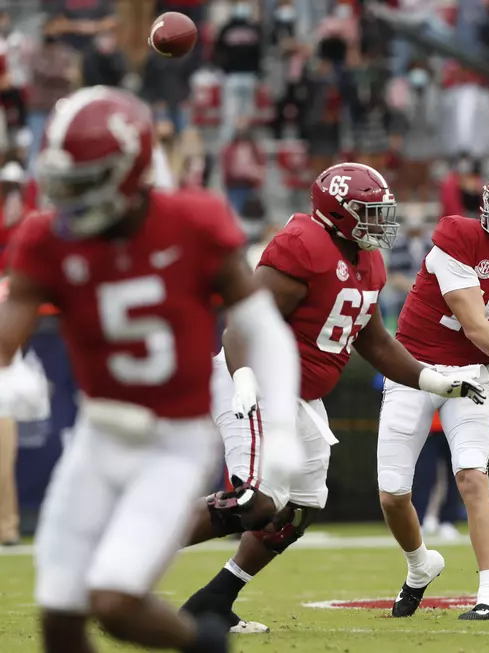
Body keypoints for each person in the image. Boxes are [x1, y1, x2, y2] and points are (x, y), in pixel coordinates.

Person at [0, 86, 305, 653]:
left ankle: (207, 645)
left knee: (114, 601)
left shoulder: (194, 221)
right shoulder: (45, 237)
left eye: (87, 180)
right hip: (98, 436)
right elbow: (7, 333)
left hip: (173, 442)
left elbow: (262, 330)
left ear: (132, 172)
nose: (71, 196)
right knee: (59, 618)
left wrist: (282, 427)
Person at [178, 163, 486, 633]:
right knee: (256, 501)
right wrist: (243, 376)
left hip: (302, 399)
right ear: (337, 212)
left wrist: (432, 380)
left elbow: (376, 342)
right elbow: (243, 322)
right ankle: (132, 547)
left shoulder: (368, 262)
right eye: (368, 213)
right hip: (259, 382)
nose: (379, 223)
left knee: (298, 508)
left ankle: (213, 601)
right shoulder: (303, 247)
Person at [377, 169, 489, 620]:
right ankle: (420, 565)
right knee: (393, 494)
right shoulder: (456, 236)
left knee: (473, 478)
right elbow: (474, 325)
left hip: (471, 375)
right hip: (414, 369)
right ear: (488, 205)